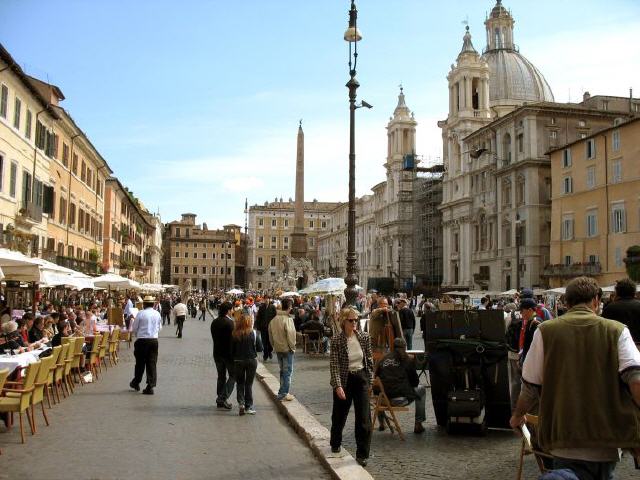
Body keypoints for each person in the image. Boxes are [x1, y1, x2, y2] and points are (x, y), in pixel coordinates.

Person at [510, 277, 640, 479]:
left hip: (563, 437)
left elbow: (530, 387)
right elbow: (636, 379)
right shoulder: (618, 331)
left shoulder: (545, 331)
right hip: (607, 439)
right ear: (596, 301)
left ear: (566, 303)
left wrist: (517, 416)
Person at [330, 307, 374, 467]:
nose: (354, 322)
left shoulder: (364, 337)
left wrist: (370, 379)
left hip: (361, 377)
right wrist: (337, 385)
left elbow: (369, 360)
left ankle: (362, 454)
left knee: (363, 418)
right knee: (339, 416)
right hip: (344, 379)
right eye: (351, 320)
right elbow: (334, 365)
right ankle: (335, 442)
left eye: (356, 319)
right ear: (343, 321)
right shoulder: (337, 340)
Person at [374, 337, 427, 434]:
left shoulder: (383, 360)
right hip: (399, 399)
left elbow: (376, 382)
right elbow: (415, 382)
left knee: (380, 390)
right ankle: (418, 424)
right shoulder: (407, 360)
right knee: (422, 390)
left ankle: (382, 423)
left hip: (382, 400)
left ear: (393, 347)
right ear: (405, 348)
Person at [231, 312, 263, 416]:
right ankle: (249, 406)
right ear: (249, 322)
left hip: (238, 361)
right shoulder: (254, 333)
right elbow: (260, 348)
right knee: (248, 384)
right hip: (251, 360)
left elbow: (231, 350)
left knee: (240, 383)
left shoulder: (234, 334)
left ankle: (241, 404)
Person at [129, 295, 162, 395]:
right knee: (152, 363)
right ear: (152, 304)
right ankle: (150, 386)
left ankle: (136, 382)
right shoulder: (157, 314)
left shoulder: (140, 313)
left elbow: (134, 328)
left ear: (144, 304)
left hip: (142, 340)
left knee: (140, 363)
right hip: (153, 341)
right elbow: (159, 328)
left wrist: (138, 333)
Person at [269, 297, 297, 401]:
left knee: (282, 371)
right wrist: (292, 347)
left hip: (278, 349)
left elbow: (270, 335)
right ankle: (283, 393)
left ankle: (281, 391)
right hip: (287, 349)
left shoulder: (273, 320)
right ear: (289, 307)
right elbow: (291, 335)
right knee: (288, 372)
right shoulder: (288, 319)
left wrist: (274, 345)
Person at [211, 301, 235, 410]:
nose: (233, 311)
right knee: (233, 375)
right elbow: (233, 340)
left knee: (221, 376)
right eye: (232, 310)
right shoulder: (230, 323)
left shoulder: (214, 322)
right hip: (228, 354)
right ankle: (222, 397)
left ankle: (220, 398)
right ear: (228, 311)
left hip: (217, 353)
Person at [602, 277, 640, 342]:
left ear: (617, 292)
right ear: (634, 291)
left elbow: (604, 331)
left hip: (617, 346)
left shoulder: (609, 308)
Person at [255, 296, 276, 361]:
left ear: (269, 300)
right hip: (263, 327)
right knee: (264, 342)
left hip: (270, 327)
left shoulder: (272, 307)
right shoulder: (261, 307)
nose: (267, 301)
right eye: (266, 299)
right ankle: (265, 354)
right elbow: (258, 317)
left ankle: (270, 351)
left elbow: (275, 317)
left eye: (268, 299)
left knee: (269, 342)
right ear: (264, 300)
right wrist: (258, 326)